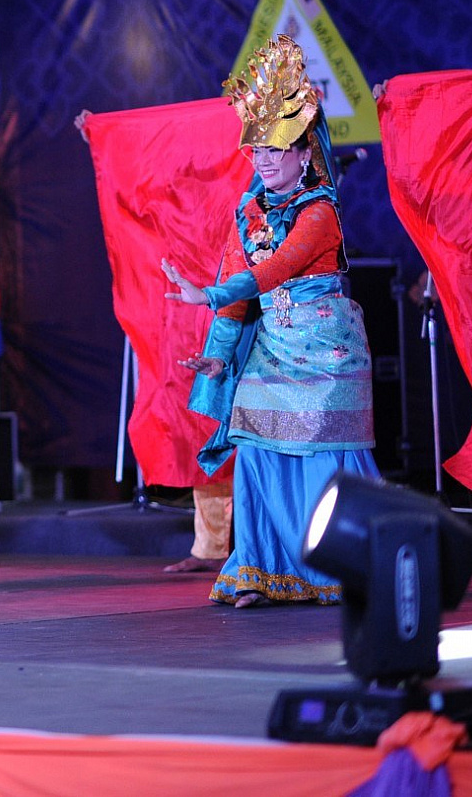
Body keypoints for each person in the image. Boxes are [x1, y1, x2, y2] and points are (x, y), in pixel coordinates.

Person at [162, 36, 377, 608]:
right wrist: (219, 354)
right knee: (255, 449)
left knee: (321, 460)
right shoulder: (249, 211)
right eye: (256, 150)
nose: (262, 161)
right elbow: (240, 288)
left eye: (275, 151)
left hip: (325, 354)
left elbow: (275, 270)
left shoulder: (320, 211)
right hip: (272, 349)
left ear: (304, 154)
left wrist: (206, 294)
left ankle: (339, 568)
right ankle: (262, 571)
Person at [76, 108, 232, 575]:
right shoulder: (167, 214)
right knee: (200, 425)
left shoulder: (228, 199)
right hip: (185, 322)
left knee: (239, 428)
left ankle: (258, 546)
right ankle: (212, 545)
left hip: (233, 314)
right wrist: (103, 141)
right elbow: (132, 199)